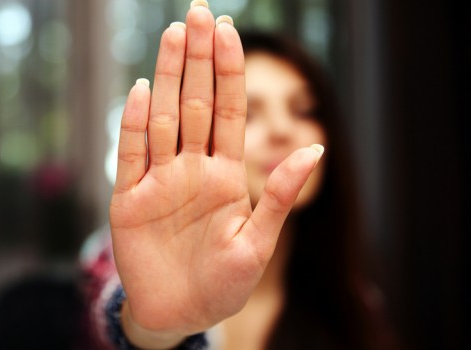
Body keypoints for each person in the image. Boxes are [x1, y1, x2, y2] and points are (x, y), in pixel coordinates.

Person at [82, 1, 398, 349]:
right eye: (249, 113)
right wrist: (155, 330)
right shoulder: (112, 260)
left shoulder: (356, 303)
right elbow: (112, 320)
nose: (281, 129)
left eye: (304, 110)